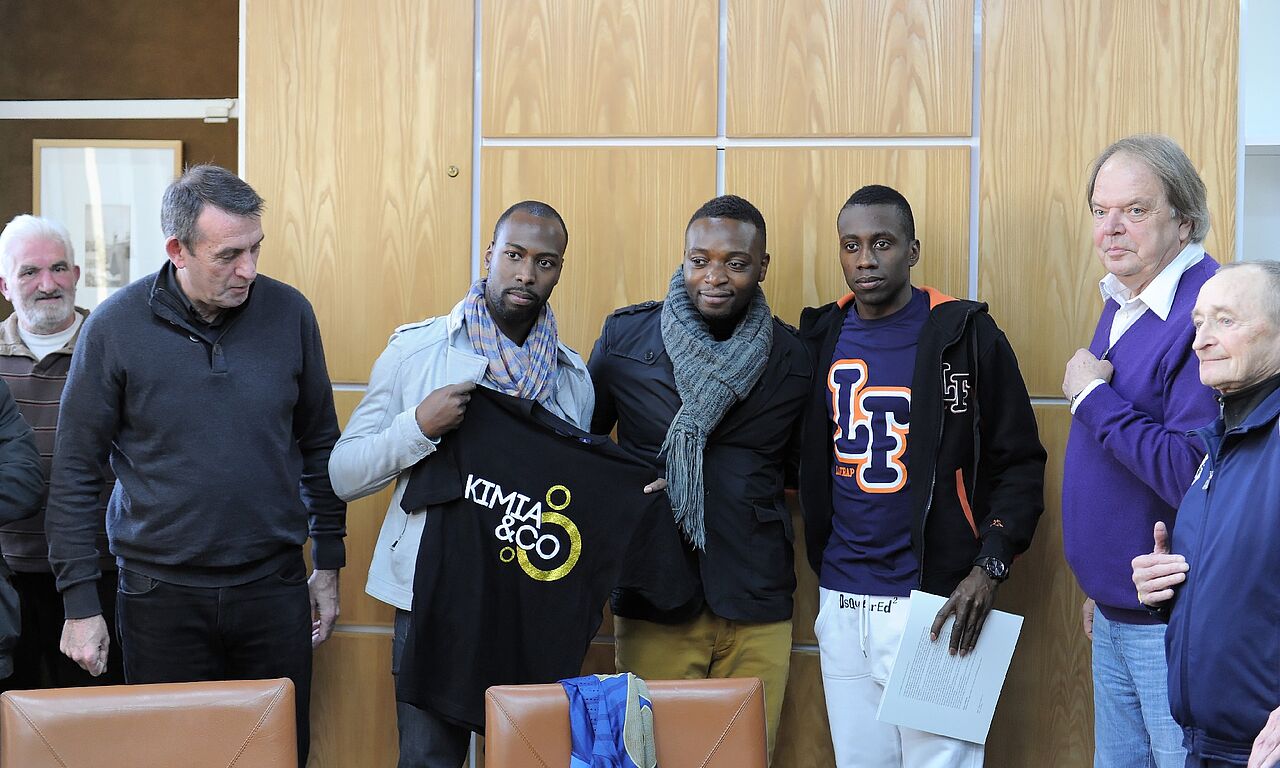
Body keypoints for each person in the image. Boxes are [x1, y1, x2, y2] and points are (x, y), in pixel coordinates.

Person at [44, 165, 346, 767]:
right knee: (171, 756)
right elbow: (75, 471)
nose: (249, 269)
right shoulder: (114, 328)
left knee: (276, 756)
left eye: (256, 248)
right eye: (228, 254)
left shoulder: (289, 313)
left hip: (273, 588)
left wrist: (329, 563)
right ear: (177, 251)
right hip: (159, 595)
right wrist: (79, 604)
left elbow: (320, 445)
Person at [328, 201, 593, 768]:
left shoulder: (571, 379)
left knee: (527, 759)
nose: (526, 274)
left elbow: (572, 499)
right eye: (514, 255)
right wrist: (418, 428)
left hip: (526, 602)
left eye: (544, 262)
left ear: (559, 270)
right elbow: (343, 474)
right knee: (428, 760)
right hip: (433, 596)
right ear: (489, 255)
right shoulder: (416, 352)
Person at [797, 184, 1046, 767]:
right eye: (851, 245)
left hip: (938, 600)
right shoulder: (820, 336)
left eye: (882, 243)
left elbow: (1019, 461)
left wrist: (990, 565)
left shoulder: (967, 335)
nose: (865, 259)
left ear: (912, 250)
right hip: (842, 600)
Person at [588, 194, 810, 762]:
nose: (714, 277)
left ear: (762, 266)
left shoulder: (793, 355)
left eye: (735, 263)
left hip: (756, 594)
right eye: (699, 260)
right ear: (683, 259)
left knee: (745, 756)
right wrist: (638, 491)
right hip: (656, 590)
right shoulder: (625, 340)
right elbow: (585, 454)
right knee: (651, 756)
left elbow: (801, 469)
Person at [1062, 134, 1219, 768]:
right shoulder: (1128, 296)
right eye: (1100, 211)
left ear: (1183, 220)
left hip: (1172, 618)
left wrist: (1089, 397)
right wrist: (1102, 586)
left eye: (1135, 209)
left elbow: (1191, 471)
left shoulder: (1207, 311)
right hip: (1118, 608)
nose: (1111, 229)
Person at [1132, 262, 1280, 768]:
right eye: (1198, 322)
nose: (1200, 341)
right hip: (1206, 746)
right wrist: (1169, 590)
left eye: (1226, 320)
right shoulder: (1220, 441)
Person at [0, 214, 122, 690]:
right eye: (29, 272)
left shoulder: (113, 348)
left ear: (76, 274)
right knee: (18, 716)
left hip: (102, 572)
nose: (47, 284)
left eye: (58, 268)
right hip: (9, 575)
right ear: (5, 285)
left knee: (99, 717)